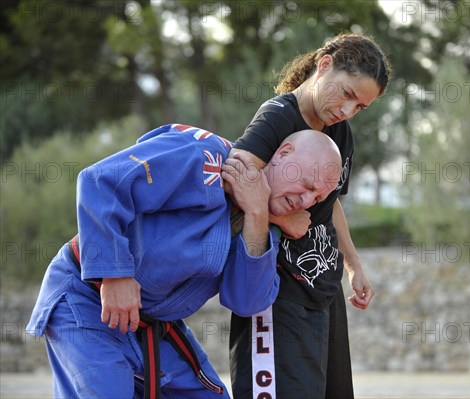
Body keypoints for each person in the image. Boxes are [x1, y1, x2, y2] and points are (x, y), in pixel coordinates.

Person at [26, 123, 342, 398]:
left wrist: (259, 213)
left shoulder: (264, 227)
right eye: (308, 186)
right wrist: (114, 275)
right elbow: (100, 181)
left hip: (151, 324)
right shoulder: (202, 154)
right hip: (87, 296)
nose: (305, 201)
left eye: (316, 199)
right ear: (284, 153)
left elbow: (246, 301)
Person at [228, 33, 392, 399]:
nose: (348, 111)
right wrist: (282, 221)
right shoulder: (278, 117)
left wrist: (353, 265)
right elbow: (232, 182)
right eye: (348, 95)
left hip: (323, 291)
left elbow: (330, 203)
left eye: (360, 107)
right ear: (324, 66)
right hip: (276, 293)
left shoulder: (341, 133)